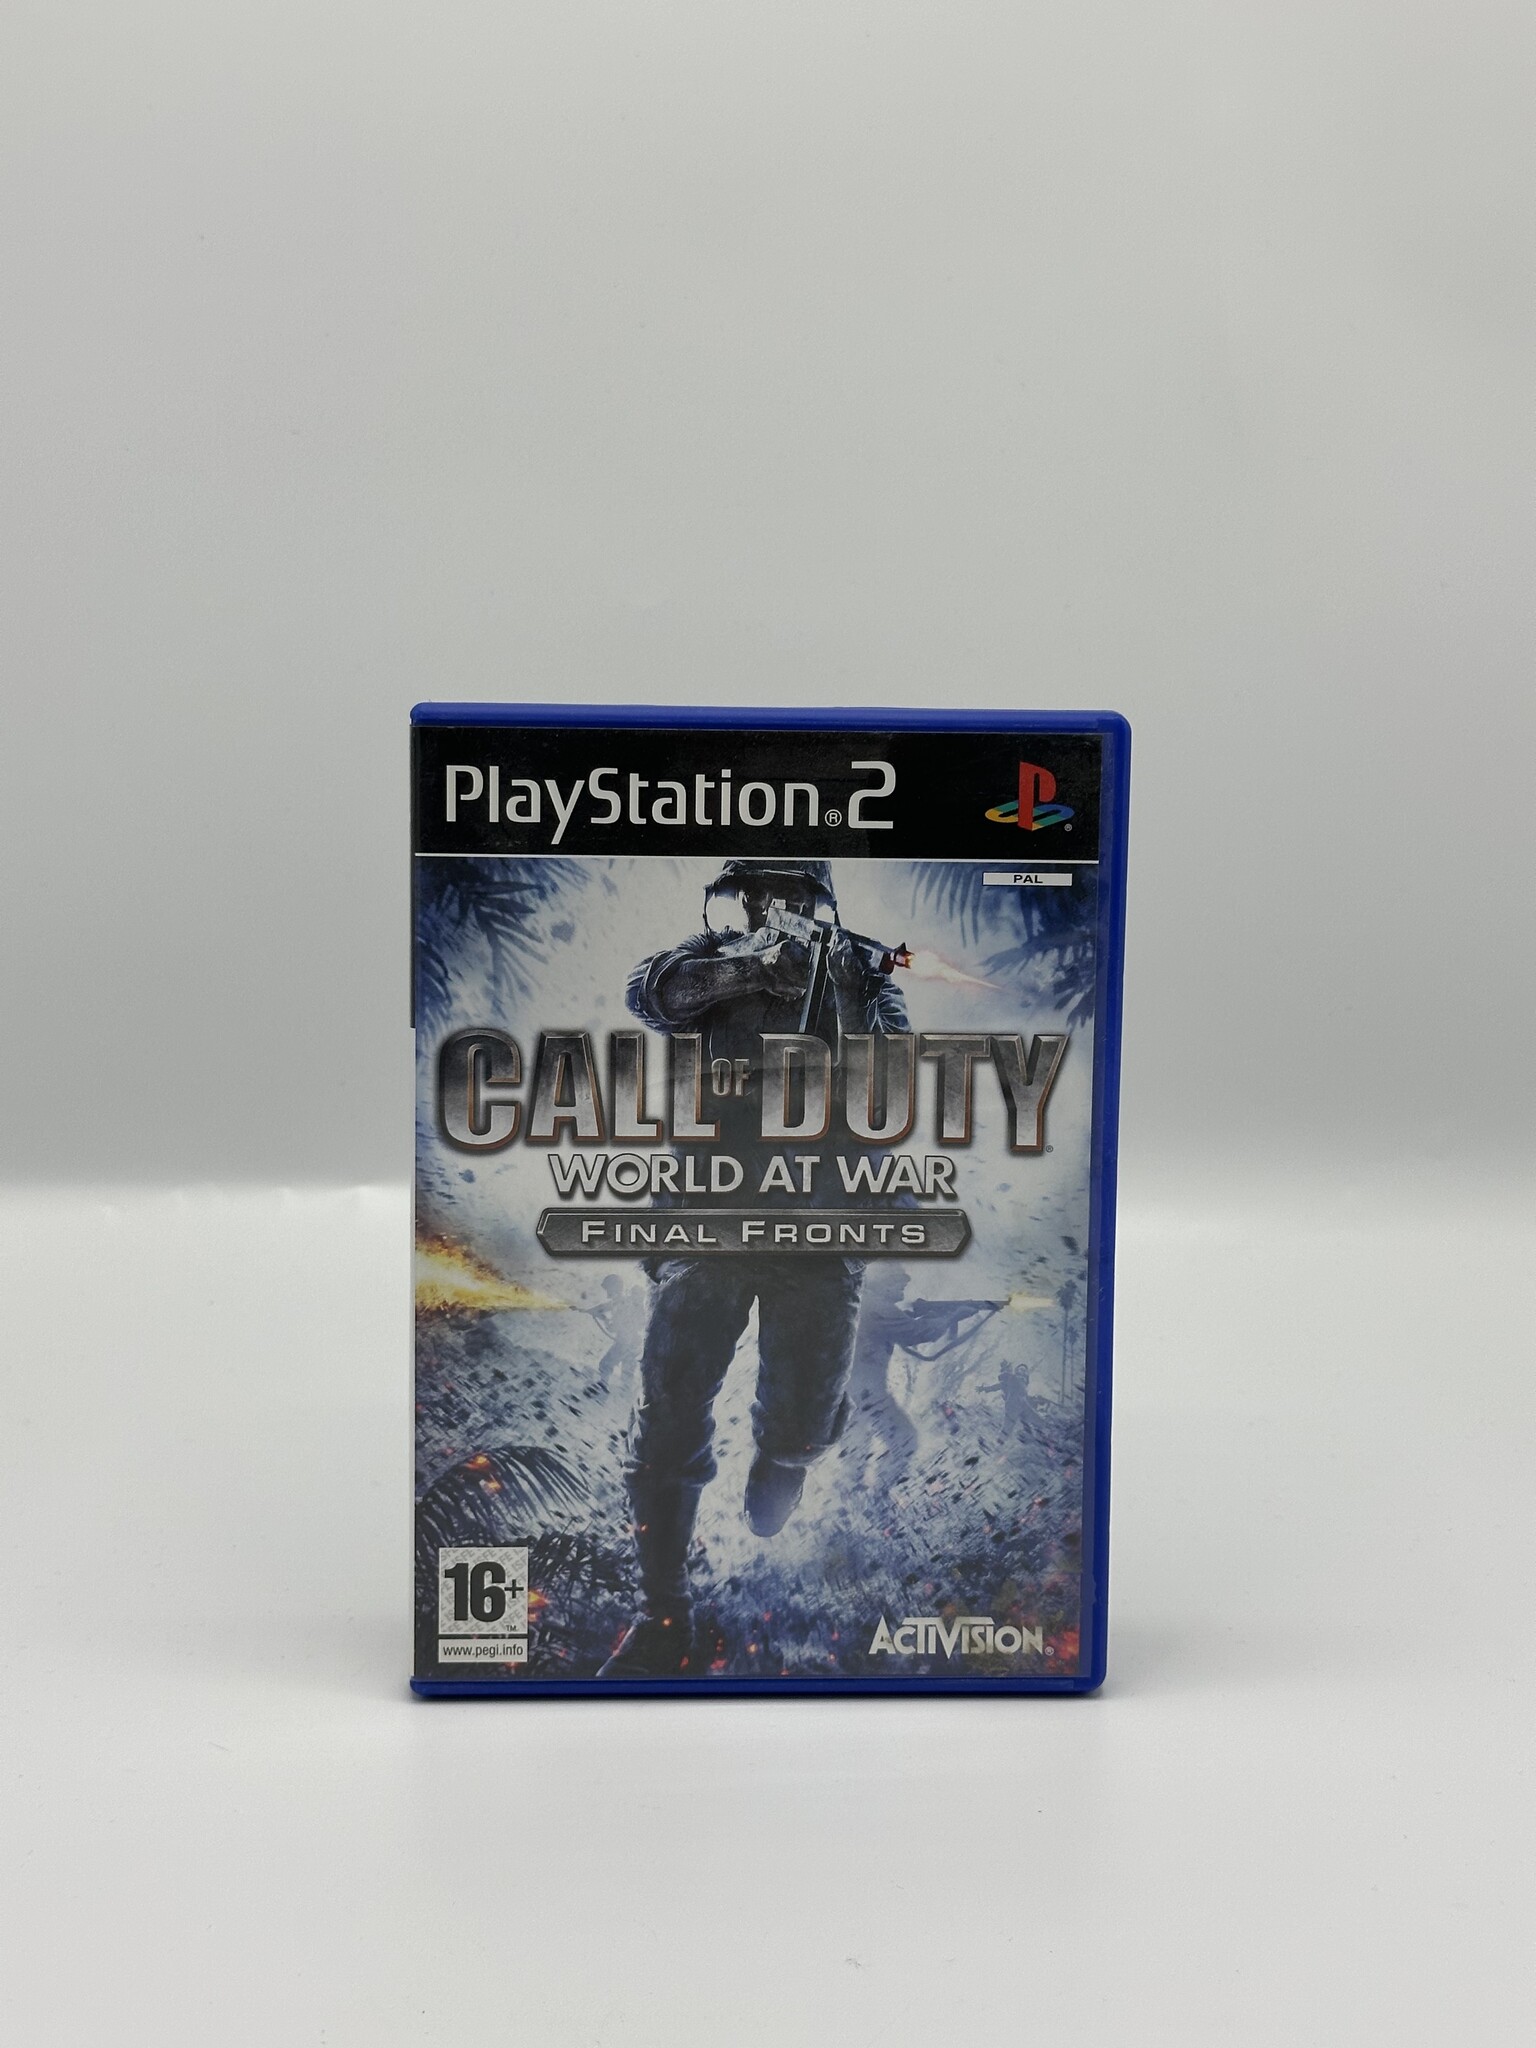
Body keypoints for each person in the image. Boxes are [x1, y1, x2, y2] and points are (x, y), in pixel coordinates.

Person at [599, 858, 908, 1677]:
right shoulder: (704, 960)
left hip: (819, 1233)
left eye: (795, 892)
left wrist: (845, 989)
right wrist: (755, 970)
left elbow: (895, 1085)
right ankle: (662, 1614)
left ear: (818, 900)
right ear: (742, 898)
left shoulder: (865, 974)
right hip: (708, 1223)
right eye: (765, 891)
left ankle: (787, 1456)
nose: (779, 904)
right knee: (668, 1414)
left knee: (799, 1434)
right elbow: (653, 996)